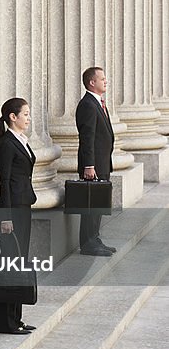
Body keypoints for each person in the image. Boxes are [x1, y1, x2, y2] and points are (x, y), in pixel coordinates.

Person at [0, 97, 37, 335]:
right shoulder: (7, 144)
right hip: (11, 212)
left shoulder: (20, 140)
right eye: (26, 114)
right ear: (13, 116)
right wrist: (6, 217)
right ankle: (4, 322)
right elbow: (5, 183)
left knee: (19, 264)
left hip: (23, 207)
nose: (28, 118)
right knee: (10, 265)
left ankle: (16, 319)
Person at [75, 66, 115, 256]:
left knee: (98, 205)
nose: (106, 81)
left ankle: (95, 238)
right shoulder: (88, 105)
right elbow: (87, 137)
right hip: (94, 166)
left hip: (102, 163)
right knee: (91, 206)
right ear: (92, 82)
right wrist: (88, 165)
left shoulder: (97, 103)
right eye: (102, 79)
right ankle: (88, 243)